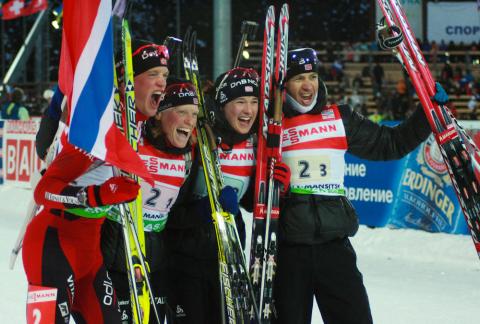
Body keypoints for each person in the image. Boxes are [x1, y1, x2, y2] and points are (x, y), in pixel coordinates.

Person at [273, 48, 447, 324]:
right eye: (298, 79)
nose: (308, 85)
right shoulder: (272, 127)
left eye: (313, 76)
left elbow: (391, 143)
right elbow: (251, 195)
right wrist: (275, 190)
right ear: (284, 84)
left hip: (334, 247)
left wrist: (426, 114)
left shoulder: (340, 118)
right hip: (288, 251)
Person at [22, 39, 169, 324]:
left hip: (91, 256)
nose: (161, 83)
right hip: (53, 246)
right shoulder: (99, 130)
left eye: (163, 75)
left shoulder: (134, 125)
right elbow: (43, 191)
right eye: (153, 75)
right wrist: (98, 195)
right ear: (128, 81)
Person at [165, 67, 290, 323]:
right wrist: (204, 210)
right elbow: (167, 215)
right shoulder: (198, 136)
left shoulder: (253, 142)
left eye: (254, 102)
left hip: (229, 258)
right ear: (222, 105)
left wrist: (275, 188)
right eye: (240, 102)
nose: (249, 110)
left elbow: (247, 203)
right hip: (185, 262)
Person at [101, 77, 198, 323]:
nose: (190, 121)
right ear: (160, 114)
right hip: (116, 250)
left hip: (156, 258)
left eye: (194, 114)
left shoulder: (189, 155)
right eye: (182, 112)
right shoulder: (135, 140)